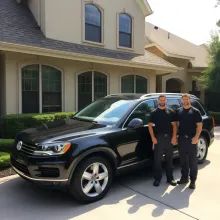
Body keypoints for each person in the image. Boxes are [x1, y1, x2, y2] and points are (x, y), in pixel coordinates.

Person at [148, 95, 177, 187]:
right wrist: (153, 138)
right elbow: (150, 125)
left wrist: (174, 137)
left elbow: (174, 125)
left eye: (164, 100)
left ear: (166, 101)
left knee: (169, 159)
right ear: (158, 100)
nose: (162, 101)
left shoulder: (170, 111)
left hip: (169, 138)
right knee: (157, 160)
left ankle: (170, 178)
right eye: (161, 100)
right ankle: (157, 179)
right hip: (158, 138)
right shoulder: (154, 112)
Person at [176, 93, 202, 189]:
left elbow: (199, 126)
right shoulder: (179, 111)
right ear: (182, 100)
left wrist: (196, 137)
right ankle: (184, 178)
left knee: (193, 161)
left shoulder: (195, 111)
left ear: (189, 100)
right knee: (183, 160)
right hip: (182, 139)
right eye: (183, 99)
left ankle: (193, 181)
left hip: (192, 139)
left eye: (187, 99)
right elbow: (177, 123)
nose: (185, 101)